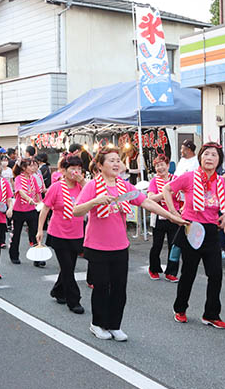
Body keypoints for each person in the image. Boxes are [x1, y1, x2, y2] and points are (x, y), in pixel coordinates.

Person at [73, 146, 187, 341]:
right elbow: (76, 211)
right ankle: (98, 324)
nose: (117, 163)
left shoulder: (124, 186)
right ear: (100, 165)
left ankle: (114, 325)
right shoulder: (92, 186)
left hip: (120, 246)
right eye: (111, 160)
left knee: (119, 287)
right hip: (97, 246)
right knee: (101, 287)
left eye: (118, 160)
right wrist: (95, 202)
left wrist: (171, 216)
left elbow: (146, 202)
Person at [164, 142, 225, 329]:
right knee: (189, 273)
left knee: (216, 274)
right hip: (191, 228)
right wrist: (173, 212)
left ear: (219, 160)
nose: (209, 158)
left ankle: (211, 314)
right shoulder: (189, 177)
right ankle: (180, 309)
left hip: (211, 231)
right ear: (200, 157)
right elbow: (167, 190)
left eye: (214, 155)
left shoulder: (220, 181)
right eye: (206, 154)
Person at [37, 155, 86, 313]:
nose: (76, 172)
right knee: (67, 267)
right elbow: (45, 208)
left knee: (69, 267)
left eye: (79, 169)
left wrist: (82, 181)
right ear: (64, 171)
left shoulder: (82, 186)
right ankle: (74, 301)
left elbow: (94, 194)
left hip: (77, 232)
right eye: (72, 169)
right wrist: (39, 230)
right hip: (58, 232)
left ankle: (57, 290)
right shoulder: (56, 187)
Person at [147, 154, 180, 282]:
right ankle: (153, 269)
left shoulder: (176, 179)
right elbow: (150, 197)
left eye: (162, 165)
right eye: (157, 165)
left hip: (174, 216)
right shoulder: (154, 181)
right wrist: (165, 193)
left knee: (174, 245)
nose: (160, 168)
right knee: (157, 245)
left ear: (168, 165)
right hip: (159, 216)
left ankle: (171, 272)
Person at [11, 158, 43, 267]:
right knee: (16, 234)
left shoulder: (33, 178)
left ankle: (37, 258)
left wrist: (40, 204)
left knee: (34, 234)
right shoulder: (18, 178)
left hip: (32, 210)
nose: (33, 168)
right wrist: (29, 199)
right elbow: (20, 191)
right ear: (24, 168)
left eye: (34, 165)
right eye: (30, 166)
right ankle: (14, 255)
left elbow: (38, 192)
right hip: (19, 210)